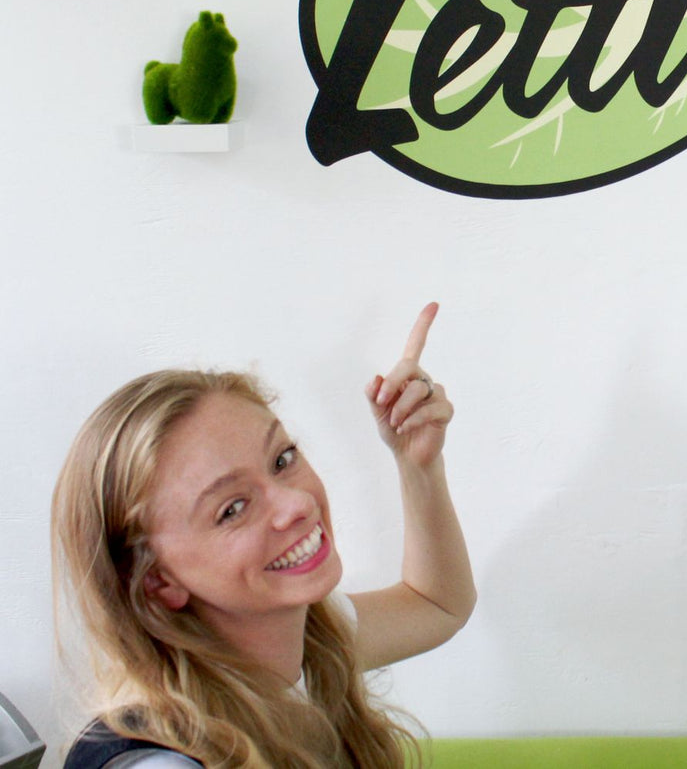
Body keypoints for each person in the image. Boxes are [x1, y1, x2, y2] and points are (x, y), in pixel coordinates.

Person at [52, 302, 475, 768]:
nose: (297, 505)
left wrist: (417, 463)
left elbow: (438, 604)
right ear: (156, 580)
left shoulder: (306, 640)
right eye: (231, 509)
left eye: (282, 460)